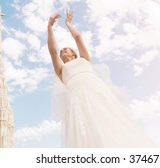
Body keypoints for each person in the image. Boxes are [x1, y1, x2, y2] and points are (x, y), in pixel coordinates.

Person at [47, 10, 153, 147]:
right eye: (61, 51)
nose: (62, 51)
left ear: (74, 53)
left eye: (66, 49)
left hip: (95, 88)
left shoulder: (84, 58)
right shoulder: (61, 70)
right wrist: (49, 28)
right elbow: (53, 50)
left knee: (106, 120)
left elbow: (78, 37)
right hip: (76, 95)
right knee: (83, 129)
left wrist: (68, 23)